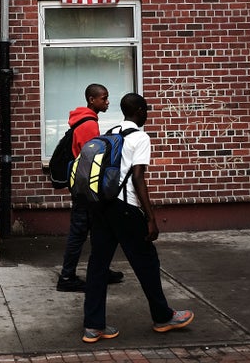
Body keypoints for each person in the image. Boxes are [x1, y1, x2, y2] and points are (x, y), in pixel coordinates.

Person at [81, 93, 194, 343]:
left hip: (101, 207)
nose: (148, 114)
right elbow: (138, 178)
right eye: (147, 110)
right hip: (125, 208)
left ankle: (93, 326)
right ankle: (163, 317)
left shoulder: (110, 132)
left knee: (98, 266)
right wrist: (151, 218)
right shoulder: (140, 137)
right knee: (146, 262)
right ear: (140, 111)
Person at [57, 84, 124, 292]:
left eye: (107, 98)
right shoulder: (88, 125)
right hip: (85, 189)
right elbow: (90, 160)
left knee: (98, 230)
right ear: (91, 99)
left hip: (83, 185)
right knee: (79, 232)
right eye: (103, 98)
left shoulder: (85, 120)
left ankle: (100, 270)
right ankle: (67, 278)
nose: (107, 102)